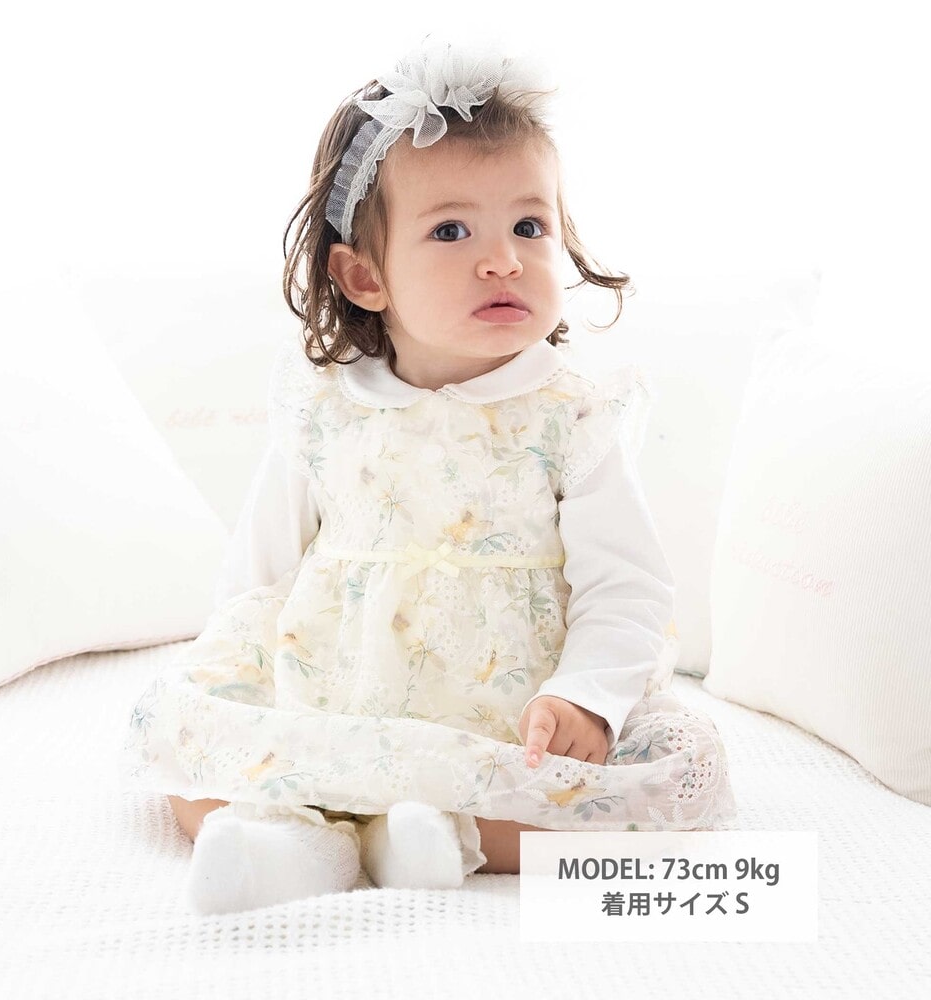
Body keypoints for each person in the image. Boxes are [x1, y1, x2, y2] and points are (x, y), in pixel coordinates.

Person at [121, 38, 736, 916]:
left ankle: (431, 834)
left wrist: (585, 698)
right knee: (187, 767)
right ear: (363, 275)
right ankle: (298, 843)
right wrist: (234, 686)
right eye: (452, 231)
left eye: (530, 227)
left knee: (651, 799)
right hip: (335, 694)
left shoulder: (569, 417)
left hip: (507, 711)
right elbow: (256, 572)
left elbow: (628, 587)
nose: (503, 260)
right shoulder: (326, 411)